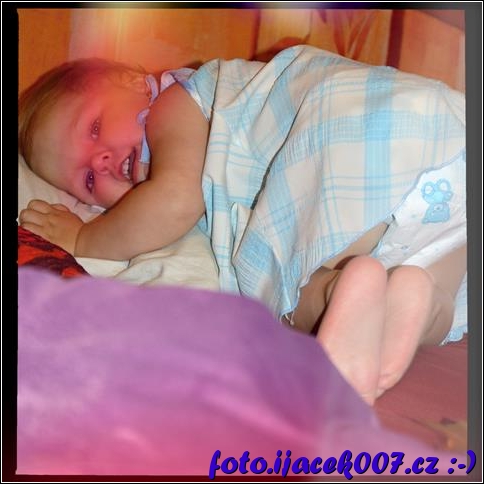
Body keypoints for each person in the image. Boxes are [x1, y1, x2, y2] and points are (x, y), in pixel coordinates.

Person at [18, 46, 467, 405]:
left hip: (363, 146)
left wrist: (84, 236)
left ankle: (343, 289)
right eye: (88, 179)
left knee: (286, 295)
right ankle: (417, 298)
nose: (100, 160)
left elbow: (174, 202)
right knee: (433, 284)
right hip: (448, 162)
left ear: (134, 83)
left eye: (94, 128)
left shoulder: (174, 103)